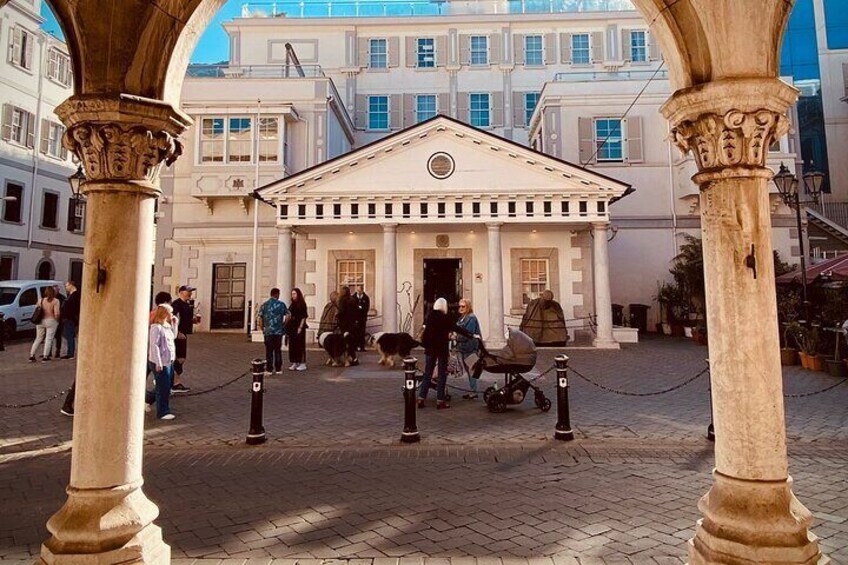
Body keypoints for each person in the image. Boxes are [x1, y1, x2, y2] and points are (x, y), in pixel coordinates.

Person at [418, 297, 478, 409]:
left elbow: (424, 333)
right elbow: (457, 329)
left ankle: (421, 398)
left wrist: (425, 345)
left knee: (427, 374)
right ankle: (440, 400)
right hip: (441, 350)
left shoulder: (429, 316)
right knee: (441, 375)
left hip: (430, 350)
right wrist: (471, 335)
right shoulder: (445, 318)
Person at [148, 303, 177, 420]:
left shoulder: (166, 326)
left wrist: (175, 325)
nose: (172, 314)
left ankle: (148, 400)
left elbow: (173, 336)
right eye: (170, 312)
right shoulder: (156, 327)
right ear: (165, 313)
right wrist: (158, 362)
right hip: (160, 361)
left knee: (167, 384)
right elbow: (154, 345)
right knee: (163, 386)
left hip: (169, 360)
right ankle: (163, 411)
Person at [170, 285, 197, 393]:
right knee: (180, 357)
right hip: (179, 334)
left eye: (191, 291)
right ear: (181, 292)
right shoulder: (176, 304)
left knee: (181, 358)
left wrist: (193, 320)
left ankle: (173, 381)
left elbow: (186, 318)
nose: (190, 293)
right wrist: (178, 332)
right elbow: (173, 318)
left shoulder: (187, 304)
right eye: (188, 291)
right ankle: (174, 382)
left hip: (184, 333)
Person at [455, 298, 482, 400]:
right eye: (460, 306)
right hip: (464, 348)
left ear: (468, 307)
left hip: (470, 348)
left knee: (472, 370)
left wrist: (455, 337)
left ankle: (474, 391)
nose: (461, 308)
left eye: (463, 306)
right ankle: (472, 390)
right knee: (469, 370)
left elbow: (467, 334)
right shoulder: (463, 318)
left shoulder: (471, 318)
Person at [259, 287, 288, 374]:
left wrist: (262, 328)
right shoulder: (281, 304)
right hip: (278, 331)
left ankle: (269, 369)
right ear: (277, 294)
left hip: (268, 331)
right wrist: (283, 324)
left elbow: (260, 318)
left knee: (269, 351)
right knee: (277, 350)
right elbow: (288, 316)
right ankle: (278, 369)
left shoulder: (264, 305)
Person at [29, 286, 61, 363]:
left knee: (38, 338)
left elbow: (37, 309)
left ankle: (32, 355)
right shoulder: (56, 301)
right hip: (51, 321)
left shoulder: (41, 300)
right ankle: (45, 356)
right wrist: (58, 321)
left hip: (40, 321)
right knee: (49, 339)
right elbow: (57, 313)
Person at [285, 288, 309, 371]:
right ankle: (294, 362)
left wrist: (300, 327)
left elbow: (303, 317)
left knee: (300, 345)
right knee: (292, 345)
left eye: (294, 294)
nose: (293, 295)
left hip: (299, 326)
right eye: (292, 294)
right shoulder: (292, 304)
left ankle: (302, 362)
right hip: (292, 326)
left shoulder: (302, 304)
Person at [336, 286, 359, 366]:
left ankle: (347, 359)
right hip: (352, 324)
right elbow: (356, 312)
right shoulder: (353, 300)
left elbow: (342, 313)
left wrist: (337, 317)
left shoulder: (342, 301)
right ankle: (354, 358)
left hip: (345, 325)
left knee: (345, 343)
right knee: (351, 342)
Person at [60, 280, 80, 359]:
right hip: (68, 318)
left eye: (67, 285)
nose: (66, 287)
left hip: (70, 319)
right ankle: (69, 352)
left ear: (71, 285)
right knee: (68, 336)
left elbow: (74, 308)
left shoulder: (74, 296)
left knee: (70, 335)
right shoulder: (71, 295)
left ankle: (70, 353)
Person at [353, 285, 370, 351]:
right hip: (355, 318)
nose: (359, 292)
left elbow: (367, 308)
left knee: (362, 332)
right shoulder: (353, 297)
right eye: (357, 291)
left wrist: (362, 309)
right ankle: (355, 346)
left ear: (362, 291)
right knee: (355, 333)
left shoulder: (366, 298)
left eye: (360, 291)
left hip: (362, 318)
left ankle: (362, 346)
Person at [52, 284, 66, 359]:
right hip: (51, 319)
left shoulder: (62, 298)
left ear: (58, 290)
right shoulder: (50, 297)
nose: (55, 291)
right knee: (50, 336)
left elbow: (63, 309)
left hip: (59, 319)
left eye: (56, 290)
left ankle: (58, 350)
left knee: (58, 336)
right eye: (54, 290)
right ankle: (49, 352)